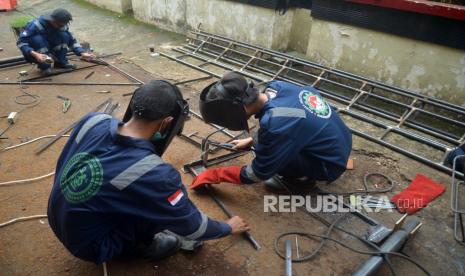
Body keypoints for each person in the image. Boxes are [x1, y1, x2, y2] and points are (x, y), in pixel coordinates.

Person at [47, 80, 249, 265]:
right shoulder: (154, 173)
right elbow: (193, 226)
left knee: (139, 197)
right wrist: (228, 227)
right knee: (157, 209)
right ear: (167, 122)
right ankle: (140, 245)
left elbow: (65, 162)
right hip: (91, 246)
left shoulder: (93, 120)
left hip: (57, 217)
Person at [190, 72, 352, 191]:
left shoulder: (276, 124)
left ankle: (301, 180)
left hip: (328, 164)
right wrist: (252, 139)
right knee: (265, 140)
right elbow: (296, 117)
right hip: (340, 140)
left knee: (268, 152)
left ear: (237, 109)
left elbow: (258, 173)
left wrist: (216, 174)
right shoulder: (277, 87)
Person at [16, 8, 95, 75]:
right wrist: (35, 54)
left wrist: (82, 53)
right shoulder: (35, 25)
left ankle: (60, 62)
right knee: (37, 40)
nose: (62, 26)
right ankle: (45, 66)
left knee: (64, 36)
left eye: (64, 25)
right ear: (52, 21)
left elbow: (71, 40)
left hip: (50, 47)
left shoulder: (61, 26)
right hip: (35, 53)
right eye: (60, 25)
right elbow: (20, 42)